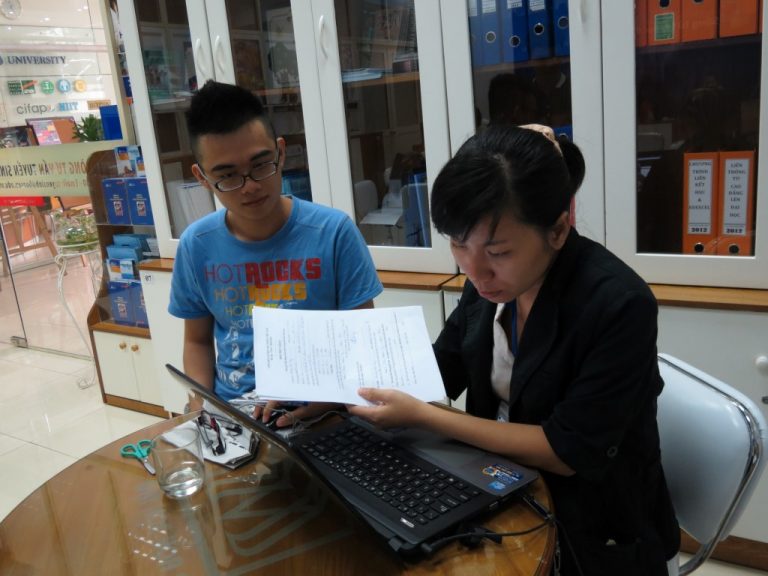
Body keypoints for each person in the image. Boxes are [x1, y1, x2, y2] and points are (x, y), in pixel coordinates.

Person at [348, 125, 680, 575]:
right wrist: (336, 392)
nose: (474, 270)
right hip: (498, 490)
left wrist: (424, 415)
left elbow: (566, 451)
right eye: (458, 243)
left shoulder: (618, 304)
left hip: (592, 527)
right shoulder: (490, 282)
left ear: (557, 230)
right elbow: (441, 367)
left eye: (498, 252)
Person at [169, 80, 383, 422]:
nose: (250, 186)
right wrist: (200, 409)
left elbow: (363, 345)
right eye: (228, 176)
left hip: (322, 412)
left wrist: (322, 403)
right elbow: (197, 341)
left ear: (281, 152)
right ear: (202, 177)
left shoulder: (333, 233)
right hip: (232, 413)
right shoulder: (197, 244)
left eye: (261, 165)